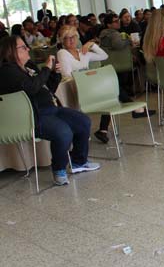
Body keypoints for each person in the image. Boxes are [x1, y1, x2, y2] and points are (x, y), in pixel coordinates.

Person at [0, 35, 100, 186]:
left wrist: (54, 73)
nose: (28, 49)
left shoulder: (29, 66)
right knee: (63, 132)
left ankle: (78, 162)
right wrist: (46, 68)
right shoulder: (7, 71)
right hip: (32, 116)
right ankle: (59, 169)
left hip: (50, 108)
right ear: (11, 51)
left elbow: (47, 88)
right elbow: (32, 87)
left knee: (82, 121)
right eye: (23, 47)